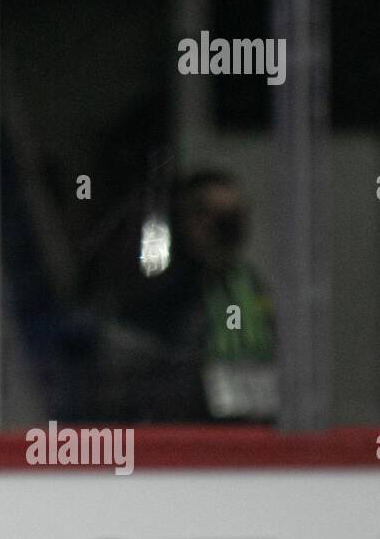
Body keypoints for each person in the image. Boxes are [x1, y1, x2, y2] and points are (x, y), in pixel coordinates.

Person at [114, 170, 278, 422]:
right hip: (187, 437)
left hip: (253, 434)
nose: (226, 227)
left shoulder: (249, 286)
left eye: (235, 215)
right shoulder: (159, 291)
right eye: (213, 216)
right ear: (186, 219)